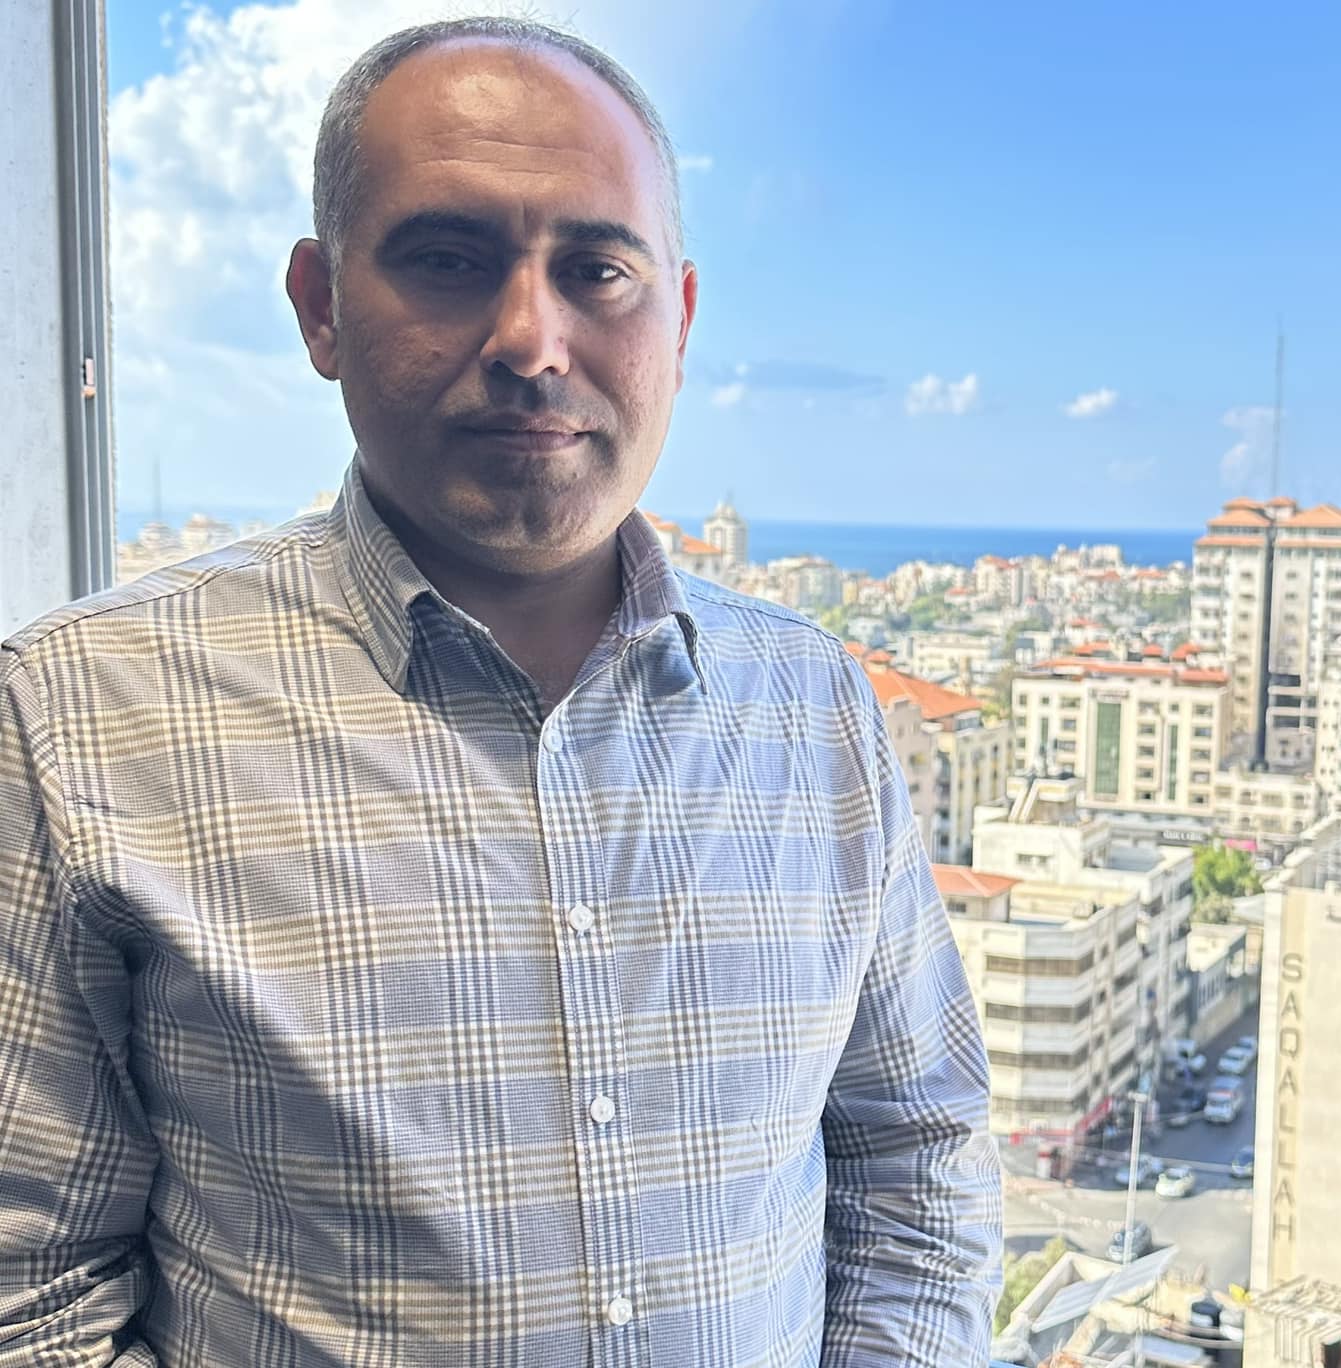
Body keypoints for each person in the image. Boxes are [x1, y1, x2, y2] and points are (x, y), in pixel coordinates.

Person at [0, 18, 1000, 1366]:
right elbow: (33, 1297)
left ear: (679, 320)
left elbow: (916, 1163)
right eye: (449, 260)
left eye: (597, 270)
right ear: (319, 305)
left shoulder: (813, 710)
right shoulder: (78, 717)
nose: (533, 339)